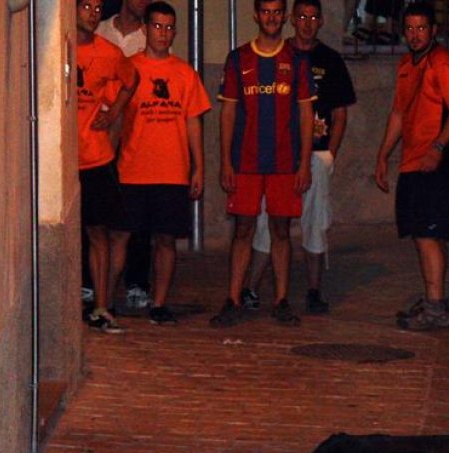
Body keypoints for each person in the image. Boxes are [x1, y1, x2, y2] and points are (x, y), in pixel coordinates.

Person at [242, 0, 356, 316]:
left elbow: (340, 112)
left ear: (320, 21)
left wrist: (329, 154)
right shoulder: (281, 54)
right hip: (279, 155)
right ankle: (251, 287)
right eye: (301, 17)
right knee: (268, 221)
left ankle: (314, 290)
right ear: (292, 19)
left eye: (313, 17)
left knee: (314, 221)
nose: (306, 23)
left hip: (316, 154)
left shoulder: (330, 60)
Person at [212, 0, 315, 327]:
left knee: (281, 230)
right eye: (265, 11)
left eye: (277, 12)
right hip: (246, 162)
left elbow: (305, 114)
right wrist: (225, 160)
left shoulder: (296, 61)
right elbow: (227, 112)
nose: (271, 17)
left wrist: (304, 164)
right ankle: (232, 298)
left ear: (284, 17)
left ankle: (282, 300)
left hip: (285, 163)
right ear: (256, 15)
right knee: (242, 229)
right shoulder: (238, 58)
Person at [112, 1, 211, 325]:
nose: (163, 33)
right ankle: (105, 299)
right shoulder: (128, 68)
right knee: (121, 236)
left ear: (175, 32)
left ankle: (159, 303)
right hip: (132, 169)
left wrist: (199, 167)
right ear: (146, 29)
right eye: (157, 26)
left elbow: (193, 122)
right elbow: (114, 118)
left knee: (166, 240)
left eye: (169, 28)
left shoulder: (184, 73)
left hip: (171, 171)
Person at [374, 1, 449, 331]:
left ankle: (436, 307)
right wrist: (383, 154)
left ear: (434, 30)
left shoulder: (443, 62)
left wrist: (438, 148)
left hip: (436, 162)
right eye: (410, 28)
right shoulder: (405, 64)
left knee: (429, 235)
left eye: (421, 28)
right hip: (413, 161)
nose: (415, 35)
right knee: (423, 234)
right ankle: (434, 297)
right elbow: (399, 113)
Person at [76, 0, 138, 333]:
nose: (92, 12)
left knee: (99, 233)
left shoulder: (109, 52)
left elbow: (132, 79)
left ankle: (101, 306)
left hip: (95, 157)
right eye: (85, 6)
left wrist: (113, 113)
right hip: (60, 158)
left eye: (97, 7)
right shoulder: (59, 50)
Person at [96, 0, 156, 311]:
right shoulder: (101, 28)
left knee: (138, 213)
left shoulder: (151, 35)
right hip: (101, 131)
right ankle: (93, 282)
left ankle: (136, 282)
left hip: (137, 133)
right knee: (100, 211)